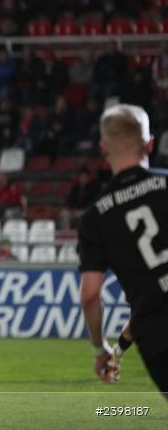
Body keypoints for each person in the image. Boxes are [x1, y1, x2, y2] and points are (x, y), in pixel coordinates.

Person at [78, 104, 168, 394]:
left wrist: (101, 349)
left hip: (157, 337)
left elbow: (90, 295)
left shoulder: (97, 216)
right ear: (150, 143)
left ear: (104, 147)